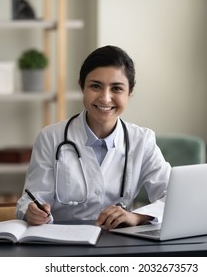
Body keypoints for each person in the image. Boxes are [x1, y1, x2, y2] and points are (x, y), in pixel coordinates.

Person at [16, 45, 171, 230]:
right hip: (63, 244)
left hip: (120, 245)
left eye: (116, 88)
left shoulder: (142, 141)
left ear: (129, 92)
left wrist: (136, 217)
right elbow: (30, 199)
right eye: (95, 86)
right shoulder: (51, 138)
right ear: (82, 86)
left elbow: (172, 196)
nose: (105, 98)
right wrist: (33, 211)